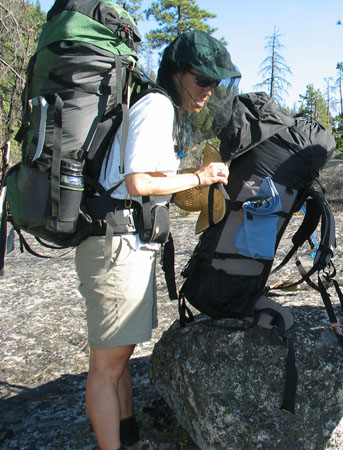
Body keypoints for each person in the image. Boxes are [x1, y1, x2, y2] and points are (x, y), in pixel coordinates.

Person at [74, 31, 241, 450]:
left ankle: (125, 432)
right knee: (107, 366)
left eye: (215, 84)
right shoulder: (156, 107)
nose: (208, 91)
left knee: (116, 356)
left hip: (127, 243)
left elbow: (152, 182)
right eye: (202, 80)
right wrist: (201, 178)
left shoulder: (160, 108)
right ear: (178, 73)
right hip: (117, 245)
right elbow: (139, 181)